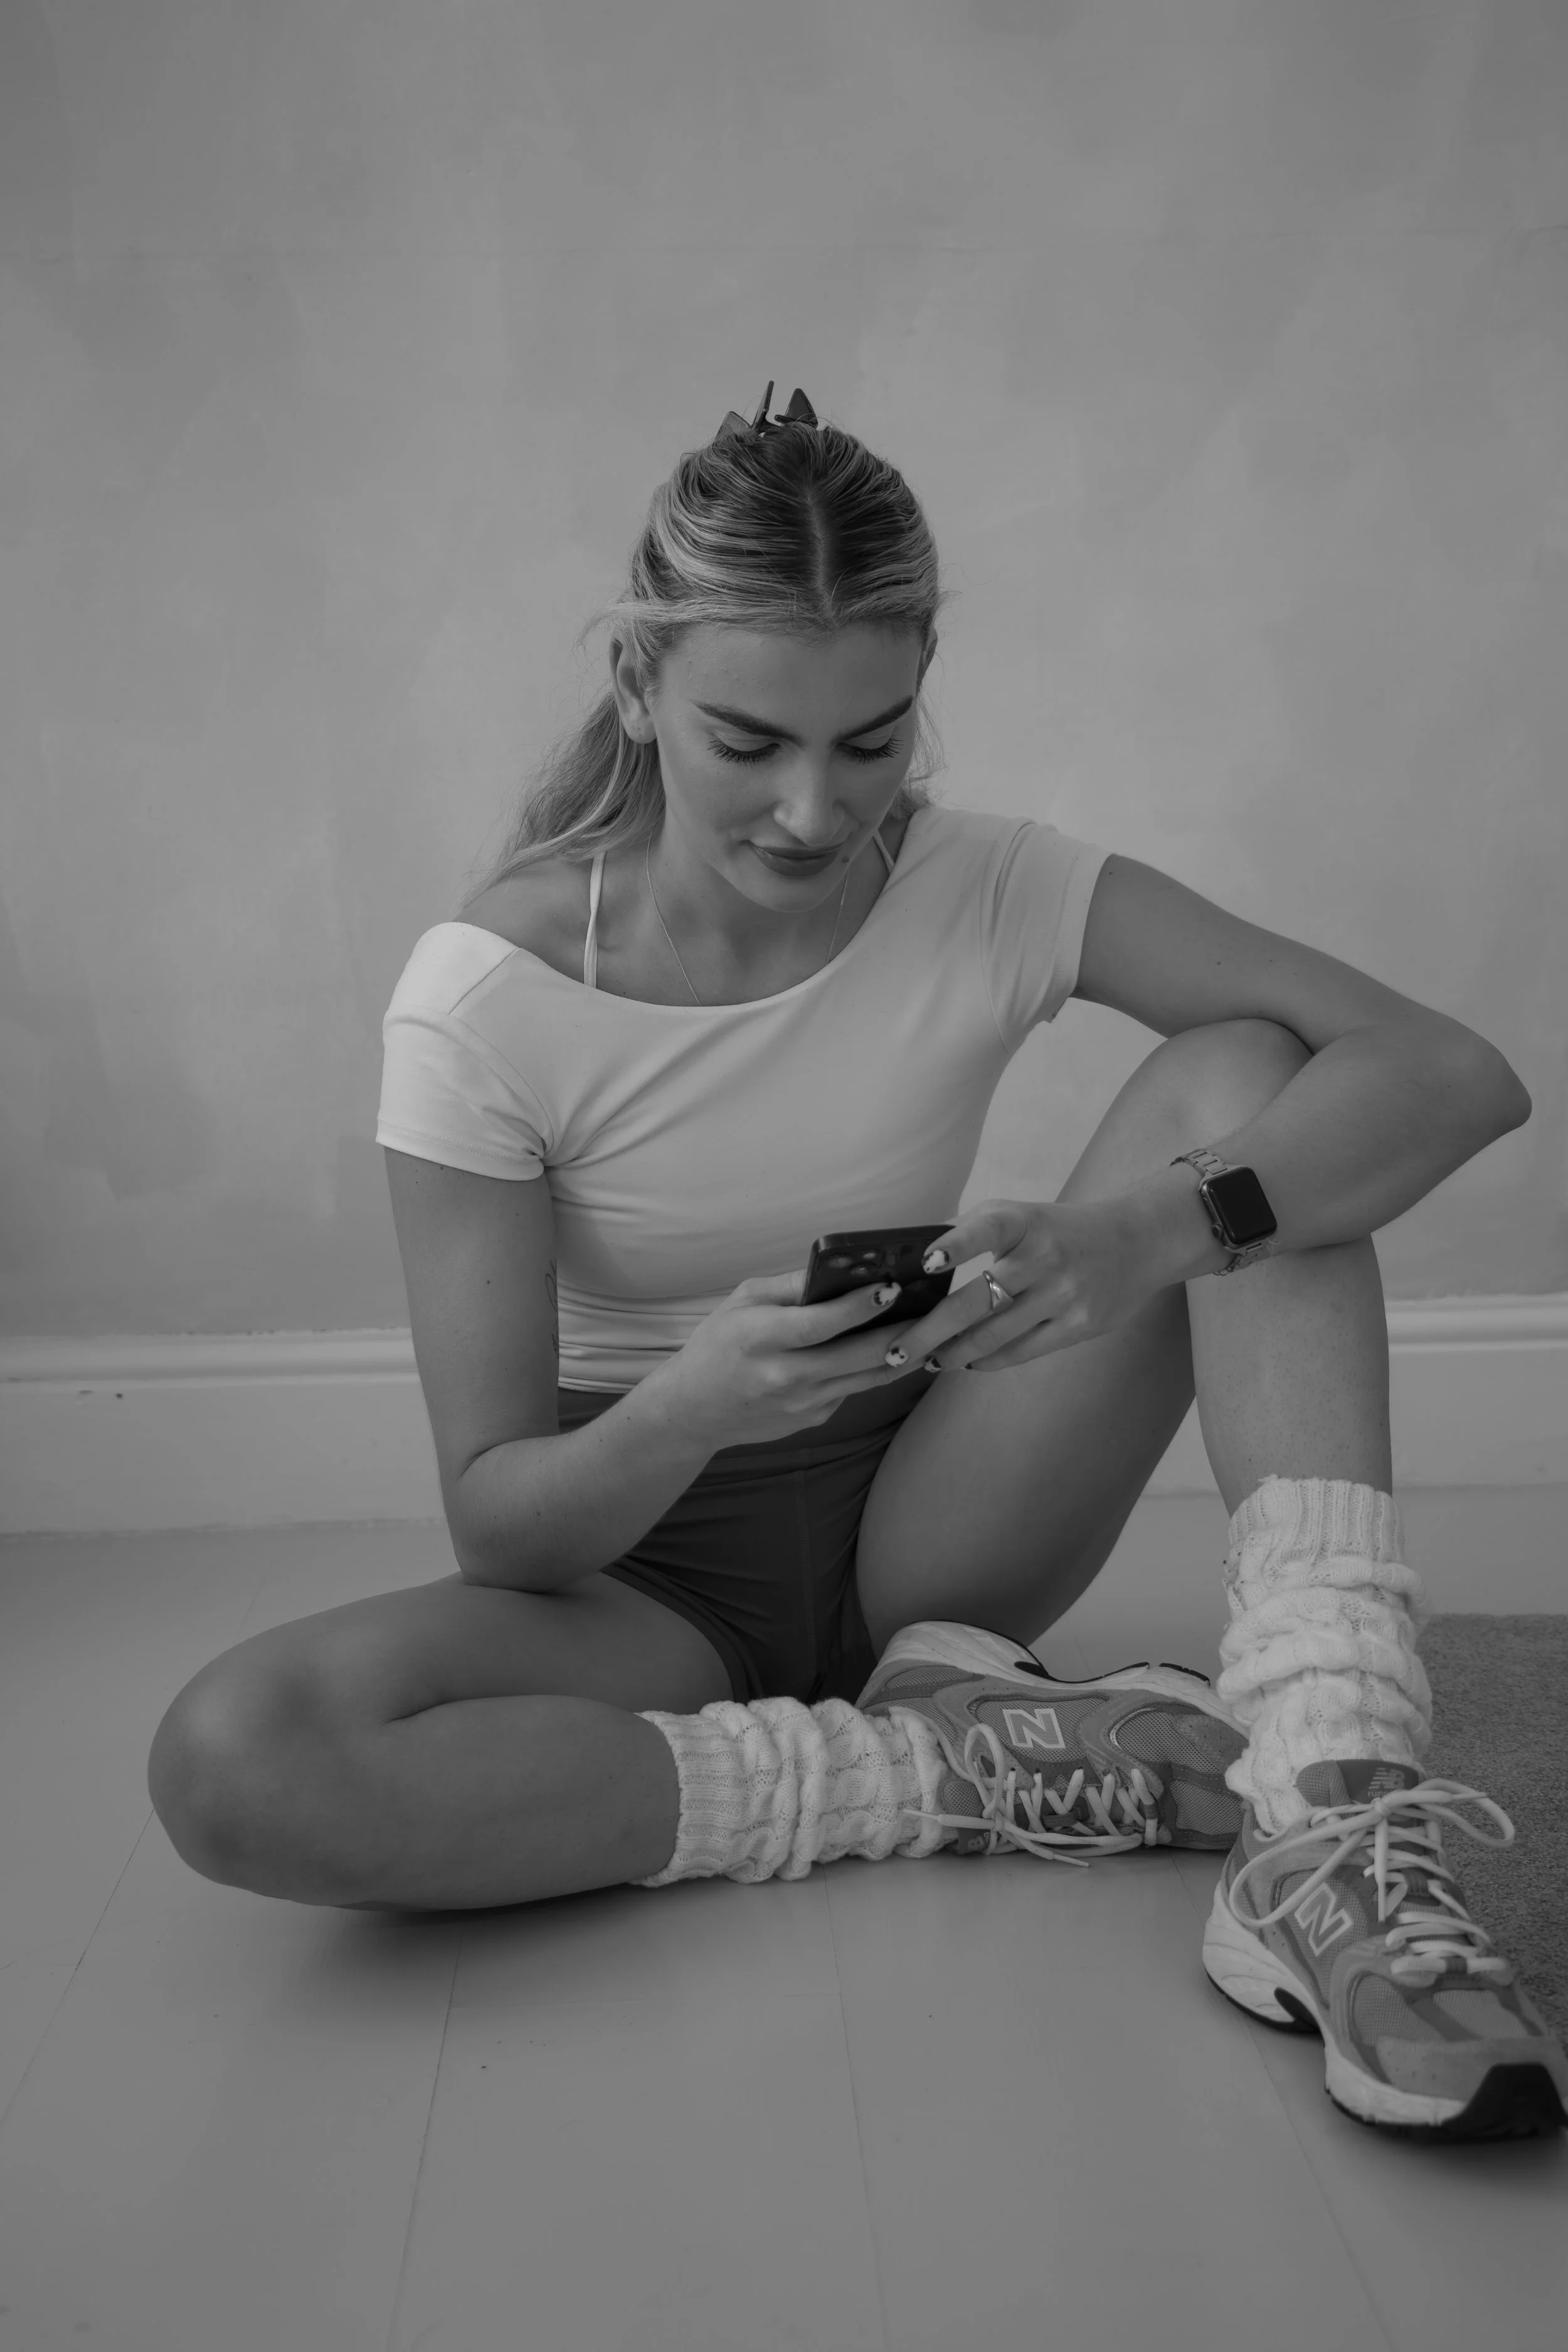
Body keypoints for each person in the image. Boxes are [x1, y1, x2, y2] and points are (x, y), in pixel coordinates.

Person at [147, 383, 1566, 2145]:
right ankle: (940, 1768)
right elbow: (501, 1523)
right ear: (638, 689)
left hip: (939, 1507)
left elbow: (1452, 1075)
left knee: (1248, 1097)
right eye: (748, 741)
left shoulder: (990, 886)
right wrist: (688, 1403)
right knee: (237, 1757)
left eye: (872, 741)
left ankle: (1334, 1812)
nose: (815, 811)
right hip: (629, 1583)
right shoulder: (483, 997)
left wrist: (1142, 1227)